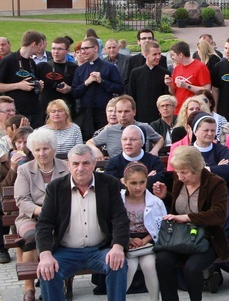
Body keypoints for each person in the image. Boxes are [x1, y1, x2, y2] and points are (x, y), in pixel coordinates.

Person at [36, 144, 130, 301]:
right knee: (47, 270)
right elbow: (44, 224)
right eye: (75, 163)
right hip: (66, 251)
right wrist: (45, 254)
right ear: (68, 165)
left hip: (99, 250)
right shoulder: (55, 188)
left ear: (94, 164)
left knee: (118, 264)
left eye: (86, 163)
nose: (81, 168)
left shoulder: (109, 184)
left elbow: (120, 218)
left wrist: (118, 247)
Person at [152, 145, 229, 301]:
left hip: (207, 238)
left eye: (184, 172)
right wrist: (165, 196)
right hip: (180, 237)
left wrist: (188, 218)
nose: (180, 177)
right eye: (178, 172)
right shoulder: (179, 179)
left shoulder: (215, 183)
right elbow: (180, 204)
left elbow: (219, 215)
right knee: (162, 260)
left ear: (197, 168)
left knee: (191, 268)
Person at [14, 129, 69, 300]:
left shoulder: (66, 167)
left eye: (45, 149)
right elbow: (22, 199)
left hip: (60, 216)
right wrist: (41, 211)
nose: (41, 153)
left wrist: (54, 213)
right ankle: (29, 288)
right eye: (37, 149)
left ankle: (58, 284)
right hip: (30, 216)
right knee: (32, 237)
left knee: (64, 235)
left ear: (53, 149)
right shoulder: (24, 170)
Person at [120, 162, 166, 301]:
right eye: (133, 183)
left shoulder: (155, 201)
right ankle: (118, 297)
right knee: (130, 267)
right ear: (125, 182)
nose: (138, 187)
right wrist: (128, 240)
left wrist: (145, 240)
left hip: (148, 242)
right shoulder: (118, 200)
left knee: (149, 266)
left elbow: (161, 226)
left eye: (142, 182)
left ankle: (154, 299)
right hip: (126, 242)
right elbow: (113, 224)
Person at [72, 37, 125, 138]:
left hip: (103, 114)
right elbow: (75, 93)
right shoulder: (80, 70)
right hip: (86, 114)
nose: (83, 51)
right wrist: (86, 83)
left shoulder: (109, 67)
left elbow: (119, 88)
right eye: (82, 49)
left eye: (86, 48)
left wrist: (102, 81)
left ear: (95, 48)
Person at [87, 95, 164, 158]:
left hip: (141, 167)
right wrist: (95, 150)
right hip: (116, 170)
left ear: (134, 112)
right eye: (119, 112)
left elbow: (160, 139)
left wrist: (155, 150)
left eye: (126, 111)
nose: (122, 115)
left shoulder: (144, 127)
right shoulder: (109, 131)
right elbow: (89, 142)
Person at [0, 30, 47, 127]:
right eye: (40, 45)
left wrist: (38, 85)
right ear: (34, 44)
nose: (40, 48)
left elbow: (30, 82)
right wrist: (19, 85)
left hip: (35, 111)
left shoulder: (31, 62)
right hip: (17, 112)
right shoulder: (8, 61)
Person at [105, 125, 166, 192]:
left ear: (142, 142)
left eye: (133, 139)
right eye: (124, 139)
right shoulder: (112, 163)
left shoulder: (154, 161)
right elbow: (112, 186)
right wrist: (146, 179)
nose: (128, 143)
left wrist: (126, 182)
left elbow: (159, 181)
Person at [127, 41, 170, 124]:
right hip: (140, 115)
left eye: (159, 54)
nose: (158, 57)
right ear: (146, 55)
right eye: (154, 54)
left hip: (159, 116)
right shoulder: (135, 73)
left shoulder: (165, 73)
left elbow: (166, 96)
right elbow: (131, 95)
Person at [37, 36, 78, 118]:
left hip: (67, 112)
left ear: (67, 50)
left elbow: (80, 89)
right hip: (45, 112)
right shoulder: (42, 66)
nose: (56, 52)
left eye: (60, 49)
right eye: (53, 48)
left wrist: (70, 89)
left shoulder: (75, 68)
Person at [166, 41, 211, 113]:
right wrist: (170, 85)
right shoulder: (177, 68)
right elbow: (173, 92)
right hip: (179, 110)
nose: (172, 57)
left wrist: (186, 86)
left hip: (194, 110)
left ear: (180, 55)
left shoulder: (200, 67)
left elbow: (206, 90)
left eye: (173, 55)